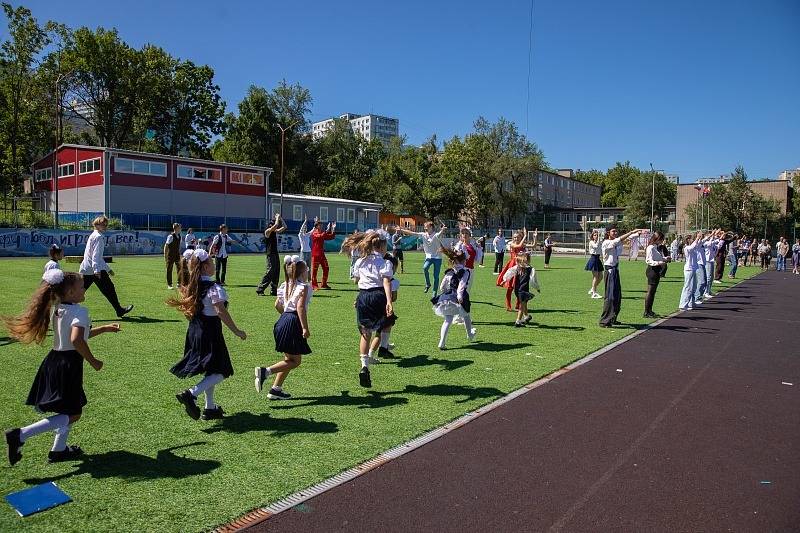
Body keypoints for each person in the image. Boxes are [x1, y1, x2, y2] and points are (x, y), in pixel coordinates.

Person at [3, 270, 121, 465]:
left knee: (69, 409)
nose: (85, 290)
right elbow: (76, 340)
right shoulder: (80, 311)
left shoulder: (58, 308)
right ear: (70, 293)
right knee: (73, 413)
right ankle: (20, 434)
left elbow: (77, 335)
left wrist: (105, 328)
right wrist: (93, 361)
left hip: (54, 361)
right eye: (82, 287)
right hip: (69, 365)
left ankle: (59, 450)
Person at [169, 249, 246, 421]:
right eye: (211, 262)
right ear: (204, 267)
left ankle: (209, 407)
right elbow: (220, 311)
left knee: (211, 369)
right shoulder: (213, 288)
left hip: (195, 332)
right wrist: (237, 331)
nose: (213, 265)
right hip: (210, 333)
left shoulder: (192, 286)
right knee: (222, 370)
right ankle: (191, 394)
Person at [254, 255, 312, 400]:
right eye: (306, 270)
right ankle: (265, 372)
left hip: (282, 320)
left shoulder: (284, 285)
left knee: (288, 359)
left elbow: (277, 305)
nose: (308, 272)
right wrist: (304, 327)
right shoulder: (304, 287)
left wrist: (285, 317)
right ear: (301, 273)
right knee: (295, 361)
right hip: (292, 321)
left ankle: (275, 389)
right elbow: (300, 308)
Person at [346, 230, 395, 388]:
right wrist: (389, 301)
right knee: (388, 321)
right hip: (378, 295)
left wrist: (360, 297)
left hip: (363, 296)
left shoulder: (361, 261)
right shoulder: (385, 262)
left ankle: (364, 366)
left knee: (365, 332)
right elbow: (386, 282)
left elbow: (357, 281)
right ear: (381, 247)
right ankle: (384, 348)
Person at [80, 216, 134, 318]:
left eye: (106, 224)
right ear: (97, 224)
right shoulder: (99, 237)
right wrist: (97, 270)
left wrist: (108, 269)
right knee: (109, 288)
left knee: (79, 291)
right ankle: (119, 310)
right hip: (94, 270)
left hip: (87, 269)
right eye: (103, 224)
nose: (105, 226)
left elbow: (97, 257)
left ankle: (63, 308)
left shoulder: (94, 235)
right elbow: (96, 256)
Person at [431, 247, 476, 349]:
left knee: (448, 320)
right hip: (459, 297)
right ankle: (470, 335)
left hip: (447, 296)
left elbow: (442, 286)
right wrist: (459, 296)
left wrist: (445, 293)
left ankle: (442, 342)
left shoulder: (449, 271)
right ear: (463, 261)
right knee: (466, 315)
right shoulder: (465, 271)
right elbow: (462, 285)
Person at [599, 227, 644, 327]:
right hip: (610, 271)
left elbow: (626, 239)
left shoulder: (615, 242)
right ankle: (604, 321)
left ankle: (613, 318)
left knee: (617, 296)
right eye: (613, 231)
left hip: (615, 270)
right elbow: (618, 240)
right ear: (608, 232)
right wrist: (632, 231)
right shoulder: (606, 242)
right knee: (610, 297)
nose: (615, 232)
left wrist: (638, 234)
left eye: (616, 231)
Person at [396, 221, 446, 295]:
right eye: (425, 227)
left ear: (431, 227)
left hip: (438, 258)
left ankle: (434, 291)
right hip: (429, 257)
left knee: (436, 276)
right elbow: (412, 233)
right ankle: (428, 284)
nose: (425, 228)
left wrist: (443, 230)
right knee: (425, 268)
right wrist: (401, 230)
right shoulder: (423, 235)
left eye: (427, 227)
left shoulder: (436, 235)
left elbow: (440, 233)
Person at [497, 228, 534, 312]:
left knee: (519, 287)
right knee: (510, 287)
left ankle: (518, 305)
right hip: (512, 266)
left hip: (520, 266)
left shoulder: (522, 244)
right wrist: (525, 236)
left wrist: (534, 237)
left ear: (520, 238)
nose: (515, 239)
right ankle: (508, 305)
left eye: (517, 237)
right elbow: (519, 246)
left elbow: (533, 246)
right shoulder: (512, 244)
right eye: (514, 237)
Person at [502, 251, 540, 327]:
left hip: (517, 290)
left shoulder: (517, 267)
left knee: (524, 303)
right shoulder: (531, 269)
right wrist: (537, 288)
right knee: (522, 306)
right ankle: (518, 321)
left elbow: (509, 272)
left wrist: (505, 279)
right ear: (528, 260)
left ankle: (526, 316)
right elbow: (533, 280)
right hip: (524, 290)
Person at [256, 213, 286, 296]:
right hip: (270, 253)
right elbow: (276, 225)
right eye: (271, 225)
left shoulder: (274, 232)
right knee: (270, 270)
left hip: (275, 253)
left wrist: (281, 219)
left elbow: (285, 227)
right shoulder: (267, 231)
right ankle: (260, 289)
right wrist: (277, 218)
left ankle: (274, 290)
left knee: (276, 271)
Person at [644, 231, 670, 318]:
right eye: (661, 239)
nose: (662, 241)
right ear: (657, 239)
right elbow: (649, 261)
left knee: (653, 291)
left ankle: (650, 310)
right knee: (650, 291)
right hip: (652, 270)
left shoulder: (656, 247)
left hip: (656, 269)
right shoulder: (651, 247)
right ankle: (646, 312)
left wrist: (665, 259)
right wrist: (660, 263)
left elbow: (658, 257)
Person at [310, 220, 336, 290]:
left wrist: (333, 229)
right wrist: (327, 230)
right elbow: (321, 236)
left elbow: (331, 237)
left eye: (322, 225)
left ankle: (324, 284)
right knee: (314, 271)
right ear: (316, 226)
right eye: (320, 225)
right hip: (315, 255)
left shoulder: (322, 233)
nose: (321, 226)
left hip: (321, 254)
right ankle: (314, 285)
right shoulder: (314, 233)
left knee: (326, 268)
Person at [679, 232, 702, 311]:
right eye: (691, 238)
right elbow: (693, 246)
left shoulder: (693, 247)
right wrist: (697, 238)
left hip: (693, 268)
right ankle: (683, 304)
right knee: (688, 287)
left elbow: (698, 244)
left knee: (694, 287)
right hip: (689, 269)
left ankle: (691, 303)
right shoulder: (687, 248)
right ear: (688, 240)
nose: (693, 240)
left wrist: (700, 238)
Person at [585, 229, 603, 299]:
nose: (596, 236)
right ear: (592, 236)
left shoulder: (599, 242)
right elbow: (595, 246)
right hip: (593, 259)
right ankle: (594, 293)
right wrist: (599, 240)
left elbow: (600, 250)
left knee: (601, 276)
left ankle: (592, 289)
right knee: (595, 277)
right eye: (595, 235)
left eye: (597, 235)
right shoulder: (591, 242)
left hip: (597, 259)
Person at [164, 223, 182, 290]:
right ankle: (169, 284)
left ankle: (179, 283)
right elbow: (166, 246)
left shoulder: (180, 236)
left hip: (177, 255)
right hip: (170, 255)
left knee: (179, 269)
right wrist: (165, 256)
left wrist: (179, 254)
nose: (181, 229)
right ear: (176, 228)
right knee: (169, 269)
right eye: (180, 228)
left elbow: (178, 246)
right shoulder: (170, 236)